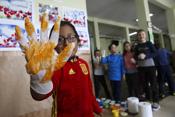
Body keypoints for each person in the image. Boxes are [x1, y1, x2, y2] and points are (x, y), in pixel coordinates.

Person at [18, 19, 103, 117]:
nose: (67, 43)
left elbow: (89, 91)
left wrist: (97, 109)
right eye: (59, 39)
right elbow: (38, 96)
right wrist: (38, 77)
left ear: (78, 41)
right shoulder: (55, 68)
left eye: (71, 37)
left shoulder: (83, 63)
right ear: (53, 46)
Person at [134, 29, 160, 111]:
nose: (141, 36)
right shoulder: (137, 46)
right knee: (144, 84)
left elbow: (155, 53)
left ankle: (156, 101)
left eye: (142, 34)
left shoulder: (149, 43)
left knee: (153, 84)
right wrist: (137, 57)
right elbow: (135, 56)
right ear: (137, 36)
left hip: (150, 67)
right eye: (139, 35)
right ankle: (148, 99)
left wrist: (146, 56)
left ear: (145, 35)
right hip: (141, 68)